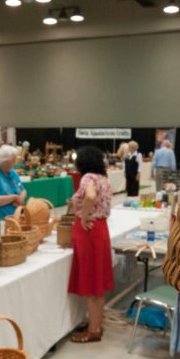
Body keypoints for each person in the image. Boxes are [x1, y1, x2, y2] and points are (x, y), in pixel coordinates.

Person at [68, 146, 114, 343]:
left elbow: (90, 196)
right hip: (100, 230)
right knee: (97, 281)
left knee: (91, 280)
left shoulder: (88, 178)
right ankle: (96, 323)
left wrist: (84, 215)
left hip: (89, 231)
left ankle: (94, 329)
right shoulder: (104, 179)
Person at [0, 145, 27, 219]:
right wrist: (14, 197)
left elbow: (22, 189)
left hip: (15, 215)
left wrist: (21, 198)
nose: (15, 162)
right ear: (6, 162)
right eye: (14, 160)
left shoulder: (12, 172)